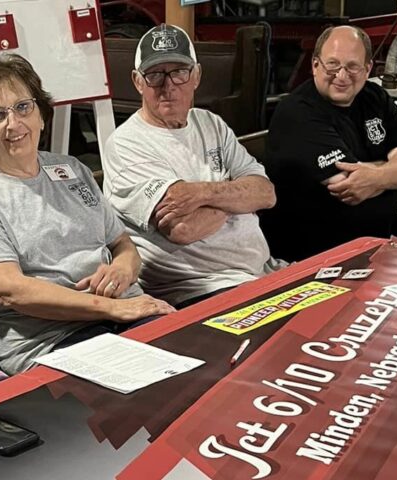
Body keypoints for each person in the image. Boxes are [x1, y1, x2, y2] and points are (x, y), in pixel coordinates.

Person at [0, 54, 173, 375]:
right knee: (156, 386)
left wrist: (121, 269)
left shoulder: (71, 169)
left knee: (207, 362)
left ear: (41, 115)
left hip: (123, 314)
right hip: (51, 340)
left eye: (23, 107)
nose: (13, 124)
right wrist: (112, 308)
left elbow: (122, 244)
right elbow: (7, 290)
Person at [102, 24, 279, 309]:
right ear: (137, 81)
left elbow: (266, 193)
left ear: (196, 76)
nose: (168, 85)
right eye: (155, 74)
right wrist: (237, 198)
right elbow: (183, 228)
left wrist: (200, 194)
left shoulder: (210, 124)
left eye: (179, 72)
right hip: (201, 288)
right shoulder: (125, 144)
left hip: (261, 270)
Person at [262, 25, 397, 262]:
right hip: (319, 248)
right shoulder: (297, 113)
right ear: (315, 65)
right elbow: (351, 187)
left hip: (380, 230)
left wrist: (375, 175)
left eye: (353, 66)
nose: (342, 75)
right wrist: (391, 168)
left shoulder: (374, 97)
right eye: (332, 64)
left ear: (367, 69)